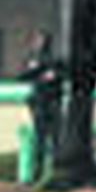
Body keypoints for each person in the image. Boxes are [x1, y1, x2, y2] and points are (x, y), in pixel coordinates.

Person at [18, 29, 66, 183]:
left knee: (55, 139)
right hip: (40, 105)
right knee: (41, 140)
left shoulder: (55, 62)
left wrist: (52, 75)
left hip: (52, 104)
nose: (37, 43)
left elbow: (64, 76)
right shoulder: (33, 61)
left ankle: (56, 171)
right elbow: (22, 77)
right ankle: (38, 173)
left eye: (40, 39)